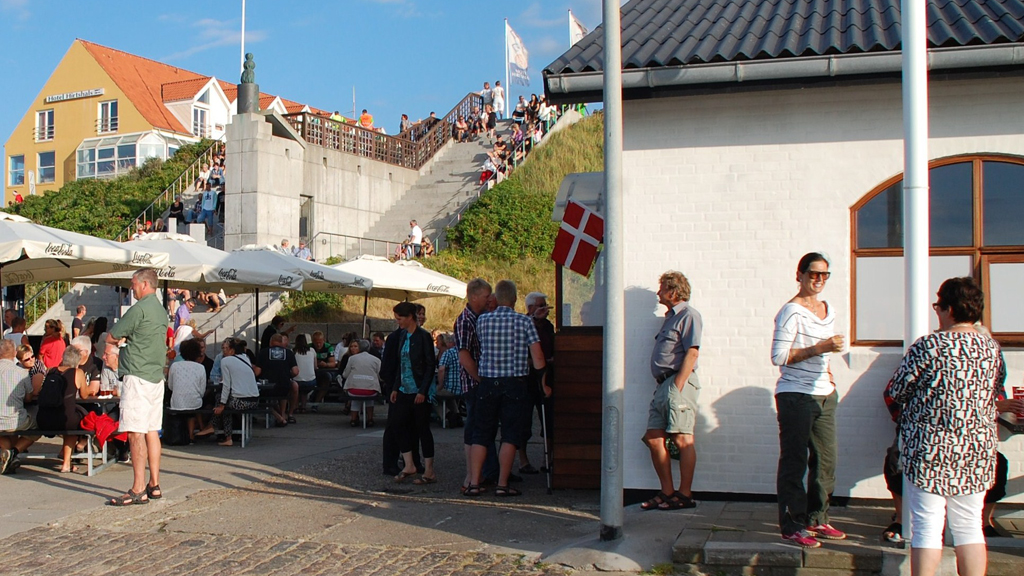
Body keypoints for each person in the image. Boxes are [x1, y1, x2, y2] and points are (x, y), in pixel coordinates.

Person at [883, 277, 1004, 576]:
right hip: (975, 450)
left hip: (929, 450)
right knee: (969, 527)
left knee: (926, 526)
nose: (936, 312)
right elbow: (995, 389)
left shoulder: (929, 346)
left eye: (938, 306)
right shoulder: (991, 348)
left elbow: (898, 390)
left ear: (949, 309)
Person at [769, 254, 845, 547]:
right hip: (795, 395)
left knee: (826, 459)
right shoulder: (791, 311)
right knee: (795, 460)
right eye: (814, 274)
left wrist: (828, 373)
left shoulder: (828, 310)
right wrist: (820, 348)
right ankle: (792, 524)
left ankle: (818, 518)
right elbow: (778, 357)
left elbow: (824, 355)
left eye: (825, 275)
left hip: (824, 394)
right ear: (799, 275)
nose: (819, 280)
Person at [466, 280, 545, 498]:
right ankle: (502, 483)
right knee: (510, 435)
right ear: (515, 299)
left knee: (481, 434)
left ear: (496, 298)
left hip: (488, 383)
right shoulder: (524, 322)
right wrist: (543, 381)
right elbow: (538, 358)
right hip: (514, 383)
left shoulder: (482, 321)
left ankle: (474, 483)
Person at [640, 271, 703, 512]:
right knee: (654, 438)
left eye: (662, 288)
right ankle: (667, 491)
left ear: (673, 291)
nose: (658, 293)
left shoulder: (689, 315)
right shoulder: (670, 318)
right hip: (663, 385)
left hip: (679, 383)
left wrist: (678, 386)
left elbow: (693, 352)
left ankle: (684, 494)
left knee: (682, 437)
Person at [105, 268, 169, 506]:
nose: (132, 288)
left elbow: (113, 335)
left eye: (133, 284)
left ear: (144, 284)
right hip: (155, 375)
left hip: (137, 375)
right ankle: (154, 484)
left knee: (135, 431)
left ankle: (138, 487)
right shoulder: (161, 311)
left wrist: (121, 341)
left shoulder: (139, 309)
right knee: (153, 430)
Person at [381, 302, 437, 484]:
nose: (398, 322)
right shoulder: (402, 336)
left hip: (418, 389)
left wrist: (423, 390)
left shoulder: (423, 337)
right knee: (397, 424)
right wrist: (396, 387)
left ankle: (429, 470)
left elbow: (430, 365)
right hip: (404, 388)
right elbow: (401, 364)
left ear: (409, 317)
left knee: (422, 429)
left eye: (400, 318)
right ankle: (409, 464)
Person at [455, 278, 499, 492]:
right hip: (474, 384)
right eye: (485, 296)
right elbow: (464, 355)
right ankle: (473, 476)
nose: (489, 299)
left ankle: (487, 472)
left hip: (480, 381)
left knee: (484, 428)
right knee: (475, 429)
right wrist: (479, 378)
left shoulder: (480, 317)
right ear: (474, 297)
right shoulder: (465, 320)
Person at [197, 339, 260, 446]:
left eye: (226, 348)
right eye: (223, 348)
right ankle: (225, 435)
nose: (224, 351)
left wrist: (221, 405)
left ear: (232, 350)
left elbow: (226, 385)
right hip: (254, 399)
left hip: (241, 402)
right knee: (224, 402)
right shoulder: (245, 358)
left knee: (221, 400)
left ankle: (215, 428)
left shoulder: (226, 361)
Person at [36, 346, 88, 473]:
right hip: (65, 419)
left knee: (69, 416)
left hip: (45, 418)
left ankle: (66, 460)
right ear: (77, 361)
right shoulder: (78, 373)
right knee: (75, 420)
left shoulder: (51, 371)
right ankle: (66, 463)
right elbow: (85, 395)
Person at [521, 292, 555, 474]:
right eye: (541, 305)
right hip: (526, 379)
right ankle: (523, 460)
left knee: (548, 419)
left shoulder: (548, 326)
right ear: (531, 308)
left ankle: (547, 457)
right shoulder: (522, 324)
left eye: (545, 305)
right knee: (523, 420)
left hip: (547, 377)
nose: (545, 309)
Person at [0, 339, 39, 475]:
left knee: (2, 431)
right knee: (38, 425)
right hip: (15, 420)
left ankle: (8, 454)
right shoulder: (22, 373)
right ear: (15, 353)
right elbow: (28, 398)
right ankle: (14, 452)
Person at [255, 333, 300, 426]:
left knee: (262, 397)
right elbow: (295, 371)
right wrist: (287, 374)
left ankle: (279, 416)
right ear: (281, 342)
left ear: (270, 342)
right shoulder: (289, 353)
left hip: (267, 389)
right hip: (284, 388)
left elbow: (257, 372)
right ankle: (283, 415)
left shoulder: (263, 352)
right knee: (282, 390)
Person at [342, 339, 382, 427]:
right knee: (369, 398)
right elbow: (380, 376)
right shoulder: (376, 360)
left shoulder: (352, 358)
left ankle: (353, 419)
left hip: (354, 390)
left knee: (355, 399)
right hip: (371, 390)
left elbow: (345, 375)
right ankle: (370, 418)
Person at [293, 334, 317, 413]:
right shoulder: (312, 350)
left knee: (295, 385)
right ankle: (303, 407)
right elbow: (315, 366)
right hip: (311, 382)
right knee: (304, 391)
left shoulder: (293, 351)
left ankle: (295, 406)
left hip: (297, 381)